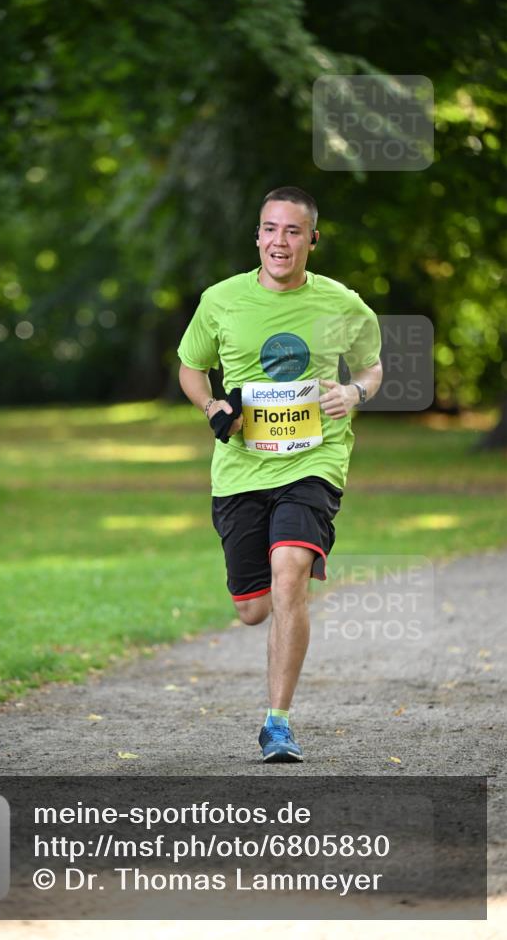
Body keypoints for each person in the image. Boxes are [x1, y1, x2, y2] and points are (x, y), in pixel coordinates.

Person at [177, 186, 383, 762]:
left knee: (289, 571)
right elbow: (191, 369)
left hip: (314, 459)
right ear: (258, 236)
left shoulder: (343, 304)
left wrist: (354, 390)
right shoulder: (220, 300)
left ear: (312, 239)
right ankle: (268, 600)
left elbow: (371, 366)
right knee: (253, 608)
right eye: (271, 229)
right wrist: (212, 406)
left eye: (293, 231)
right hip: (241, 468)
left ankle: (277, 724)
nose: (280, 241)